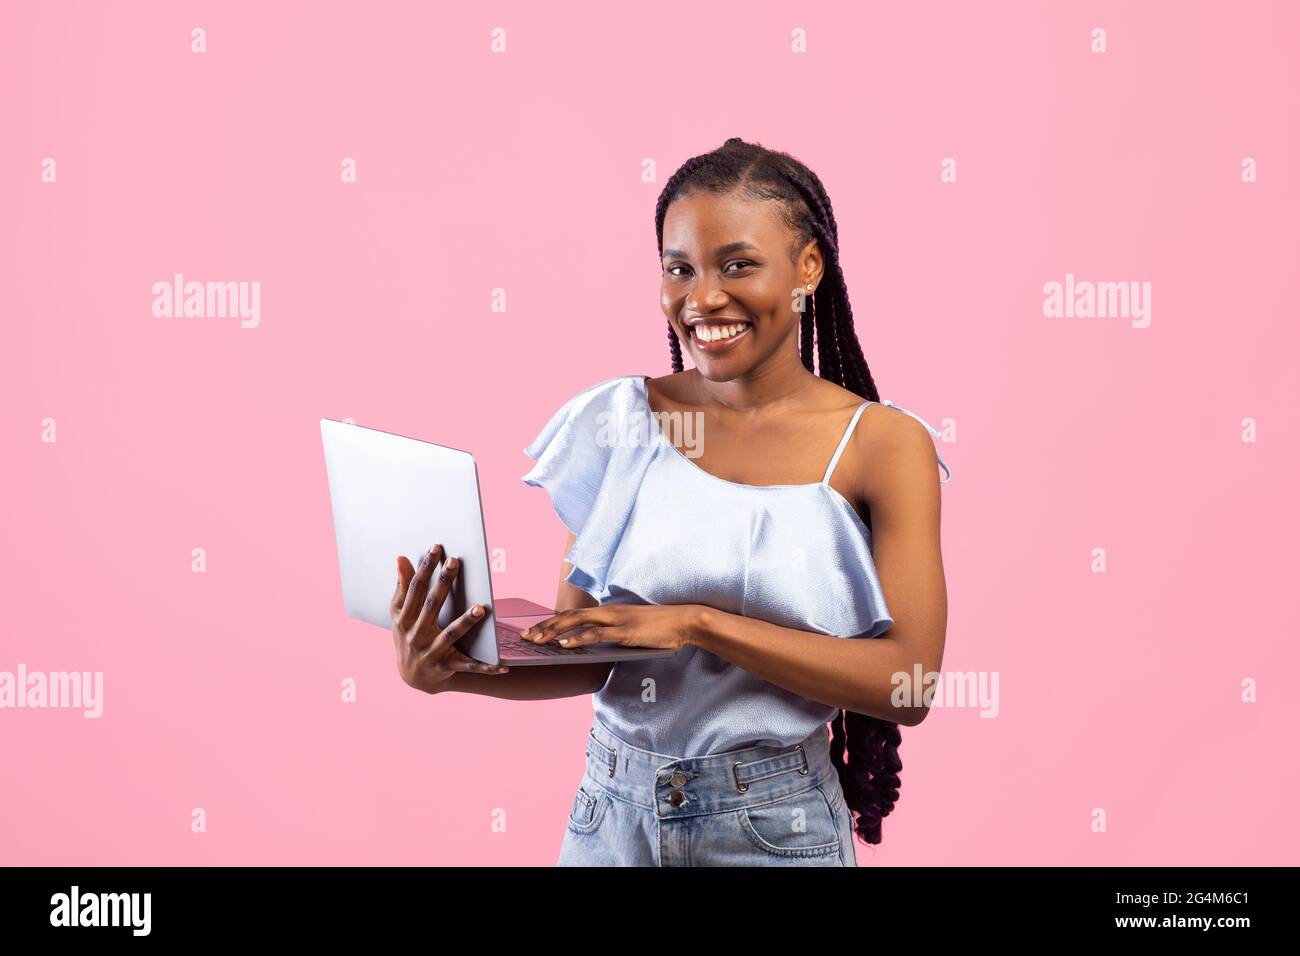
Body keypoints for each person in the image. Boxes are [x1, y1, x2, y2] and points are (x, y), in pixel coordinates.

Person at [389, 137, 951, 867]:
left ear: (807, 267)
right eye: (678, 268)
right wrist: (451, 672)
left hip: (771, 825)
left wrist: (697, 625)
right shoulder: (623, 419)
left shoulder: (881, 443)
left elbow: (909, 683)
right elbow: (587, 656)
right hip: (610, 815)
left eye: (738, 265)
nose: (703, 297)